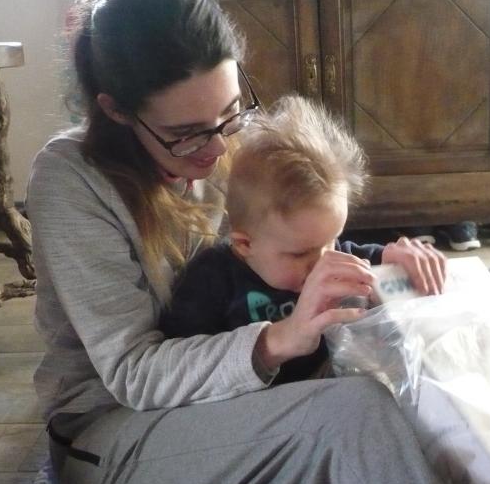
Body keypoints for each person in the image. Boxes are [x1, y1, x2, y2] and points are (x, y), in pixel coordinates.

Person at [26, 0, 490, 484]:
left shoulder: (227, 146)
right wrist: (279, 340)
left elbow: (298, 247)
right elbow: (134, 375)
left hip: (242, 412)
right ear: (114, 110)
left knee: (420, 394)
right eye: (187, 132)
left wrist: (386, 264)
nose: (218, 146)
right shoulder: (71, 181)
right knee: (353, 420)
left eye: (230, 111)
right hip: (117, 445)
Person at [160, 95, 432, 386]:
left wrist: (398, 260)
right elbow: (186, 368)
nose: (323, 262)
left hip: (327, 379)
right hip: (257, 399)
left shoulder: (324, 252)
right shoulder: (208, 282)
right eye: (301, 254)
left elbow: (372, 261)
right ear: (245, 244)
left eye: (332, 240)